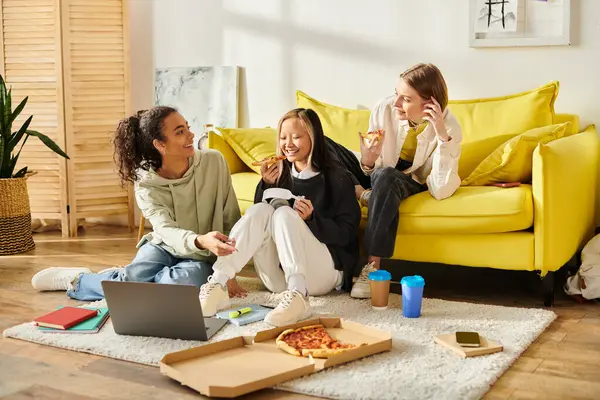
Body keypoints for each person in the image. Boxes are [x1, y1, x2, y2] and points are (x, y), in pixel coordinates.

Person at [31, 106, 245, 300]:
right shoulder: (145, 183)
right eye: (180, 132)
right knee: (140, 282)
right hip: (165, 245)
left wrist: (229, 270)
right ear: (160, 144)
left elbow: (230, 216)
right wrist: (199, 240)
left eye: (187, 127)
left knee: (176, 284)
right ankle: (78, 281)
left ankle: (126, 280)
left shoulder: (213, 161)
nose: (191, 135)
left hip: (202, 255)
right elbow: (165, 230)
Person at [198, 108, 361, 327]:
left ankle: (298, 296)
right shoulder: (280, 174)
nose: (288, 143)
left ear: (313, 138)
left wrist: (313, 220)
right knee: (260, 210)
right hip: (277, 280)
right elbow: (256, 227)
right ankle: (218, 283)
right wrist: (265, 184)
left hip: (324, 274)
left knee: (284, 213)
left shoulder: (337, 178)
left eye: (296, 137)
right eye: (283, 137)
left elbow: (348, 234)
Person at [326, 63, 463, 299]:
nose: (397, 103)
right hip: (374, 175)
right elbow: (373, 167)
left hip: (406, 183)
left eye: (406, 99)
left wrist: (441, 135)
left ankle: (373, 267)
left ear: (429, 104)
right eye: (397, 94)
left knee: (386, 176)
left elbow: (440, 189)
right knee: (322, 143)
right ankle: (362, 194)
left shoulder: (449, 127)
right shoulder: (384, 108)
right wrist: (367, 162)